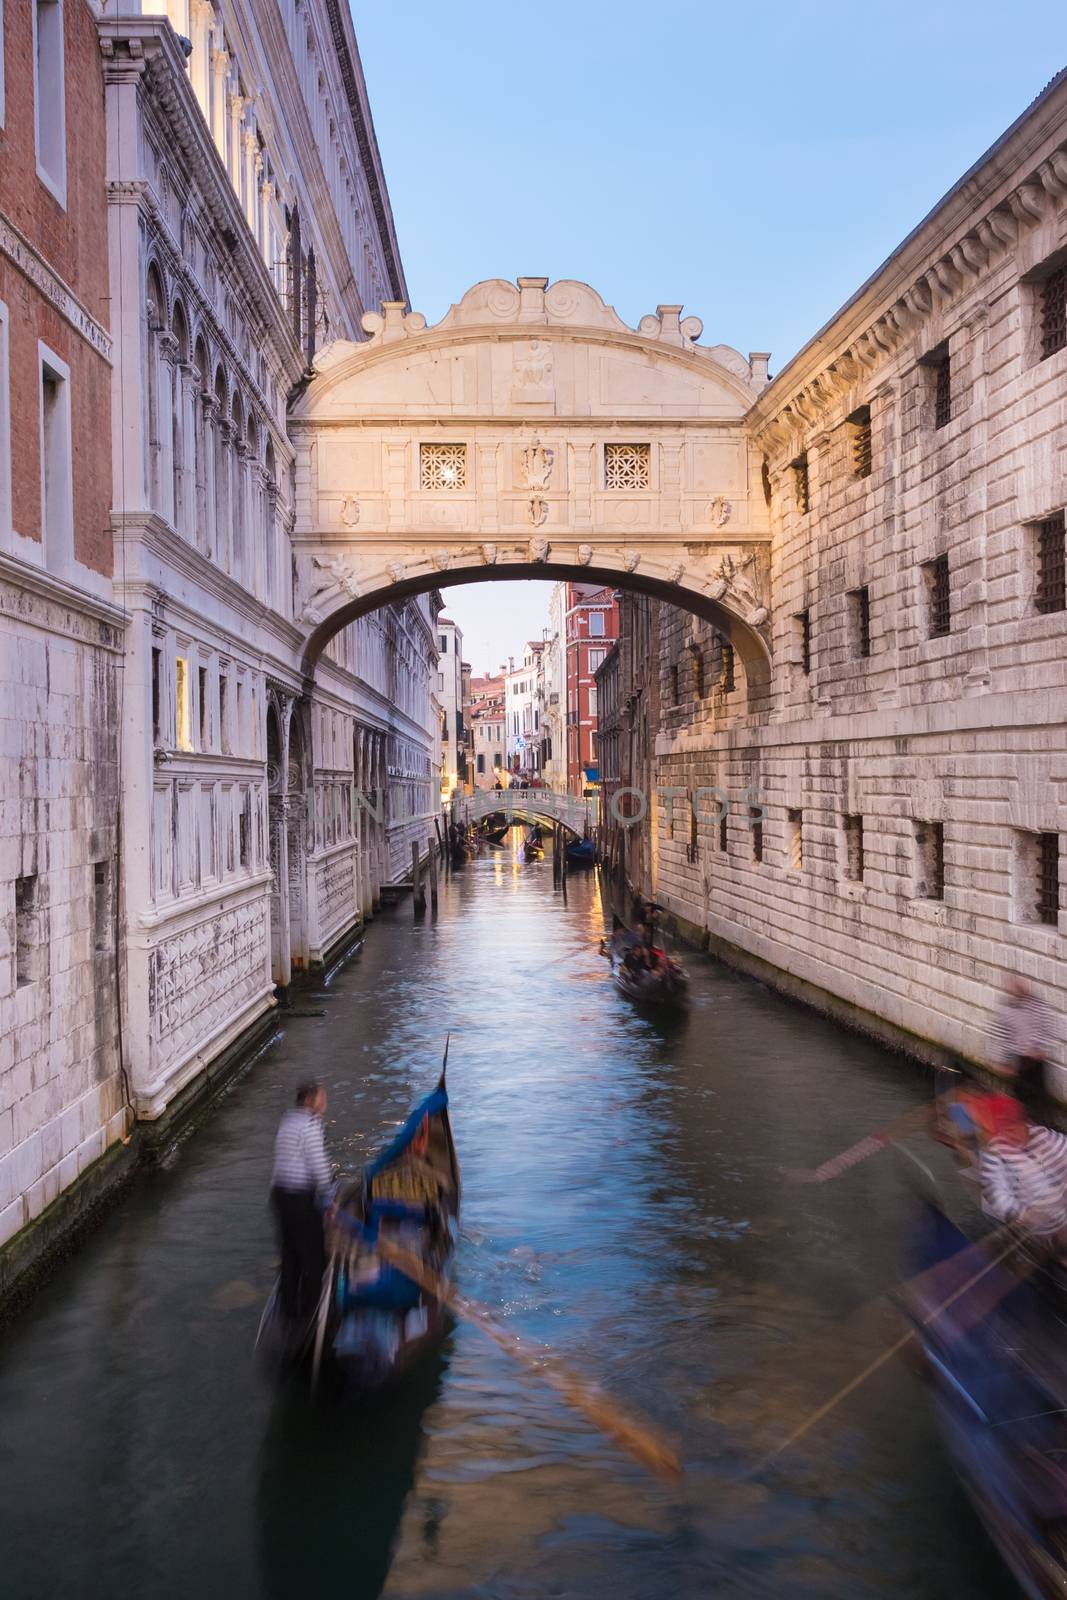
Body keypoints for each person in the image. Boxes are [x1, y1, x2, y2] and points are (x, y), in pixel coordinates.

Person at [270, 1080, 335, 1322]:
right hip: (299, 1198)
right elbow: (318, 1165)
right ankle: (311, 1310)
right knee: (313, 1254)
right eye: (322, 1099)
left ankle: (288, 1309)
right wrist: (328, 1197)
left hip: (279, 1196)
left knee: (290, 1253)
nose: (324, 1103)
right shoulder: (310, 1124)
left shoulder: (287, 1121)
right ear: (310, 1101)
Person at [979, 1093, 1067, 1250]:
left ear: (1026, 1122)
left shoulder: (1044, 1135)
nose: (1009, 1136)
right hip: (1035, 1231)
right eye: (1003, 1131)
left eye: (1013, 1129)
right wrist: (1023, 1214)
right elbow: (994, 1191)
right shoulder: (996, 1152)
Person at [990, 976, 1056, 1123]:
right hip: (1019, 1059)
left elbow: (1047, 1029)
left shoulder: (1037, 1005)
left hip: (1036, 1061)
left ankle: (1040, 1124)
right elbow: (1004, 1036)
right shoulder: (1006, 1008)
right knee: (1019, 1098)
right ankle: (1024, 1124)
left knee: (1038, 1098)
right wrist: (1002, 1062)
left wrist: (1040, 1048)